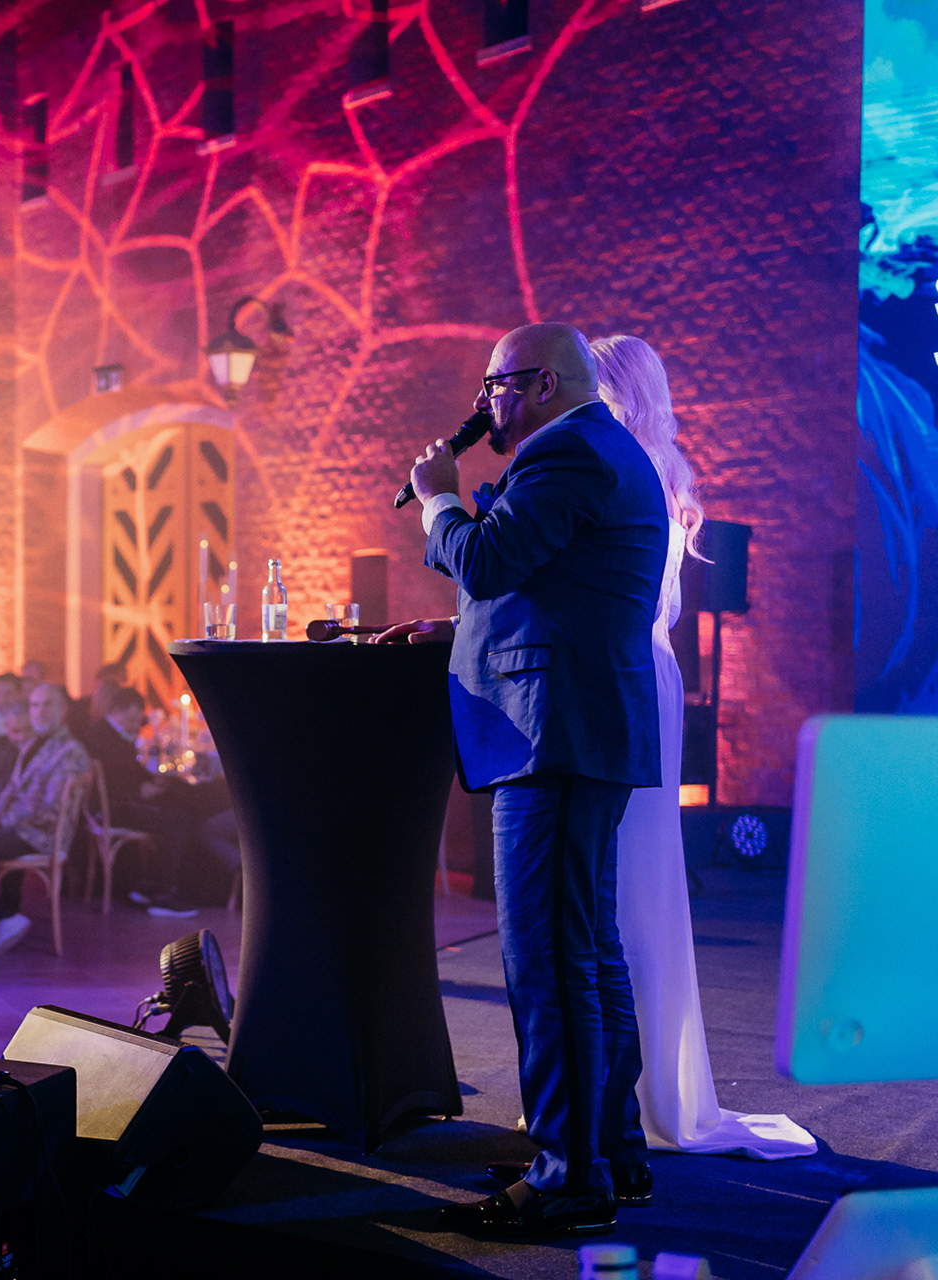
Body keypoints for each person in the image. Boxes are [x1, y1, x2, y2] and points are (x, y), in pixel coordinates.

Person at [381, 322, 667, 1241]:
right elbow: (544, 583)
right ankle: (609, 1152)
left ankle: (566, 1177)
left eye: (496, 384)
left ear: (542, 385)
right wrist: (460, 630)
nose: (484, 403)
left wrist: (437, 497)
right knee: (586, 952)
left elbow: (487, 558)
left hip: (557, 736)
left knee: (547, 960)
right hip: (576, 730)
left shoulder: (569, 452)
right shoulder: (592, 450)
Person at [561, 335, 814, 1162]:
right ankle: (626, 1085)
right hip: (649, 669)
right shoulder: (659, 474)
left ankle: (626, 1091)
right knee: (632, 880)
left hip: (630, 672)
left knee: (628, 880)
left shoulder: (621, 474)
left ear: (618, 392)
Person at [0, 682, 90, 965]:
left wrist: (0, 821)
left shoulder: (70, 750)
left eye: (48, 704)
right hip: (20, 827)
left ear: (63, 709)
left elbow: (50, 810)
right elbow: (11, 790)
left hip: (43, 834)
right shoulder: (33, 744)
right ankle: (6, 917)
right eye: (35, 705)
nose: (40, 711)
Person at [86, 686, 199, 918]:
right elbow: (121, 784)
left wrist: (152, 782)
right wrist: (149, 787)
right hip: (112, 810)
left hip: (113, 805)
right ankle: (163, 895)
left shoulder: (106, 732)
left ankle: (148, 885)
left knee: (177, 809)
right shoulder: (106, 738)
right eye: (135, 717)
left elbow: (128, 773)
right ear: (121, 711)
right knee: (178, 820)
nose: (139, 722)